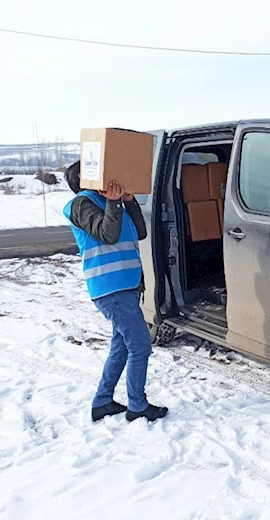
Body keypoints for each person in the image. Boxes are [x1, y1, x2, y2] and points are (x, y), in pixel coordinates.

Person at [64, 161, 168, 423]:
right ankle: (137, 406)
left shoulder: (113, 203)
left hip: (128, 285)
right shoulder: (80, 204)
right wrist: (112, 202)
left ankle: (102, 401)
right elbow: (107, 234)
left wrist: (129, 201)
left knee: (121, 346)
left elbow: (140, 232)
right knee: (141, 346)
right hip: (110, 288)